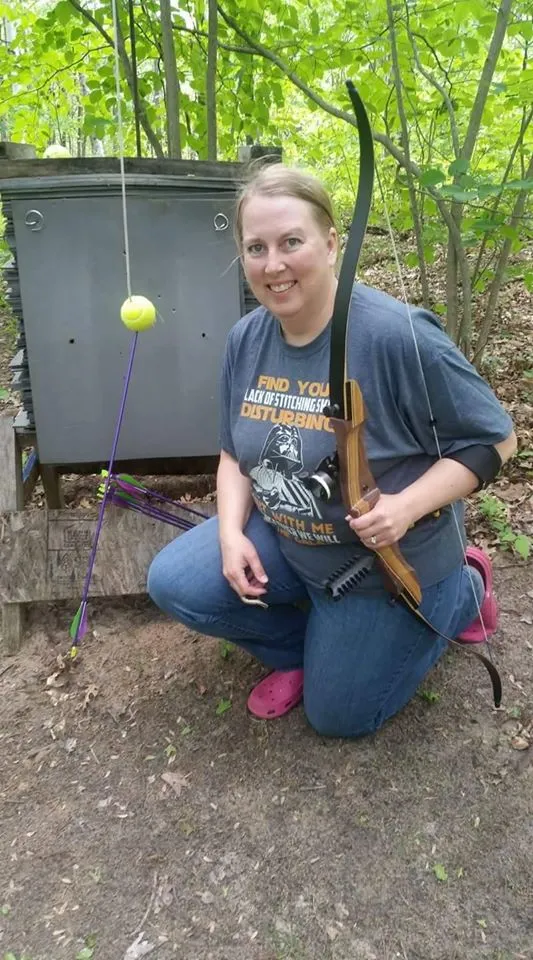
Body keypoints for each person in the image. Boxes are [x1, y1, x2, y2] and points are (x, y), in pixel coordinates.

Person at [147, 164, 517, 738]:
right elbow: (232, 456)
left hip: (384, 565)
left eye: (291, 241)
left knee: (340, 717)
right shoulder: (246, 339)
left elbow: (497, 439)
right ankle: (309, 649)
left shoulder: (397, 334)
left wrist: (405, 507)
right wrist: (229, 533)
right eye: (256, 247)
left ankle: (462, 590)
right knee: (176, 580)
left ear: (330, 243)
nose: (274, 264)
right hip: (290, 544)